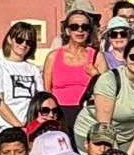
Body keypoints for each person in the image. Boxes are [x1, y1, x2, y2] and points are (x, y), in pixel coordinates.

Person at [73, 38, 134, 155]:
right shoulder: (109, 79)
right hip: (97, 135)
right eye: (133, 57)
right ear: (125, 60)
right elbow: (105, 123)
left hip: (128, 138)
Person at [43, 9, 100, 137]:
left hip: (87, 114)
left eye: (84, 27)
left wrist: (96, 74)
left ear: (89, 31)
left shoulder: (97, 56)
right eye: (75, 27)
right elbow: (47, 91)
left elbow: (106, 89)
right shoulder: (53, 56)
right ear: (68, 31)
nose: (80, 30)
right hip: (60, 114)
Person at [0, 22, 43, 130]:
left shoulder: (33, 69)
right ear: (9, 39)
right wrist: (18, 125)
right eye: (19, 40)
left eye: (29, 42)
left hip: (30, 127)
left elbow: (39, 99)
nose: (24, 45)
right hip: (4, 127)